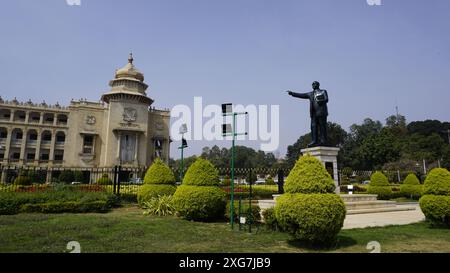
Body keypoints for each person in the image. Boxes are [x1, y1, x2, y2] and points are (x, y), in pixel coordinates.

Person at [287, 81, 329, 147]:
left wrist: (320, 101)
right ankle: (314, 141)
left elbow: (326, 99)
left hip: (321, 112)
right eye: (312, 84)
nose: (313, 85)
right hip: (313, 113)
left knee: (322, 127)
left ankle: (323, 141)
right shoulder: (310, 94)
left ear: (318, 85)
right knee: (313, 127)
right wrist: (292, 93)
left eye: (314, 84)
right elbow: (301, 95)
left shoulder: (323, 91)